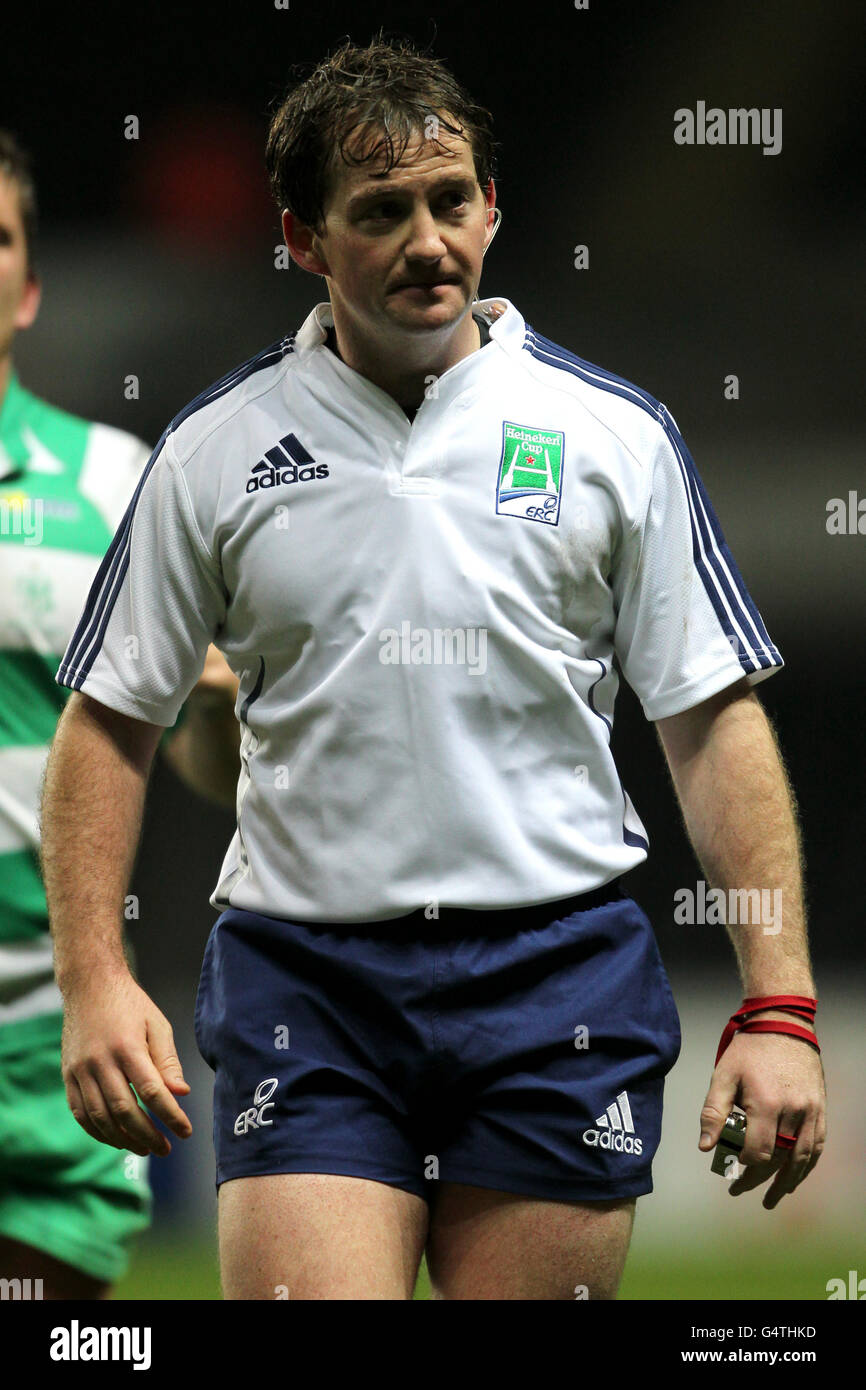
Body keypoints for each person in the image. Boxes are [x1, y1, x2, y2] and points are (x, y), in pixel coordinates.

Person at [39, 37, 825, 1301]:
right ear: (303, 238)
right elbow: (107, 723)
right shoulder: (212, 450)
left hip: (554, 977)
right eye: (381, 211)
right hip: (309, 979)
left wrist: (777, 1009)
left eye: (450, 201)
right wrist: (96, 980)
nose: (426, 242)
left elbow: (709, 721)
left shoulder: (611, 434)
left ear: (493, 210)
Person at [0, 130, 238, 1300]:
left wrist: (221, 719)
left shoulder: (112, 485)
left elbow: (213, 778)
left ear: (31, 282)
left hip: (50, 1034)